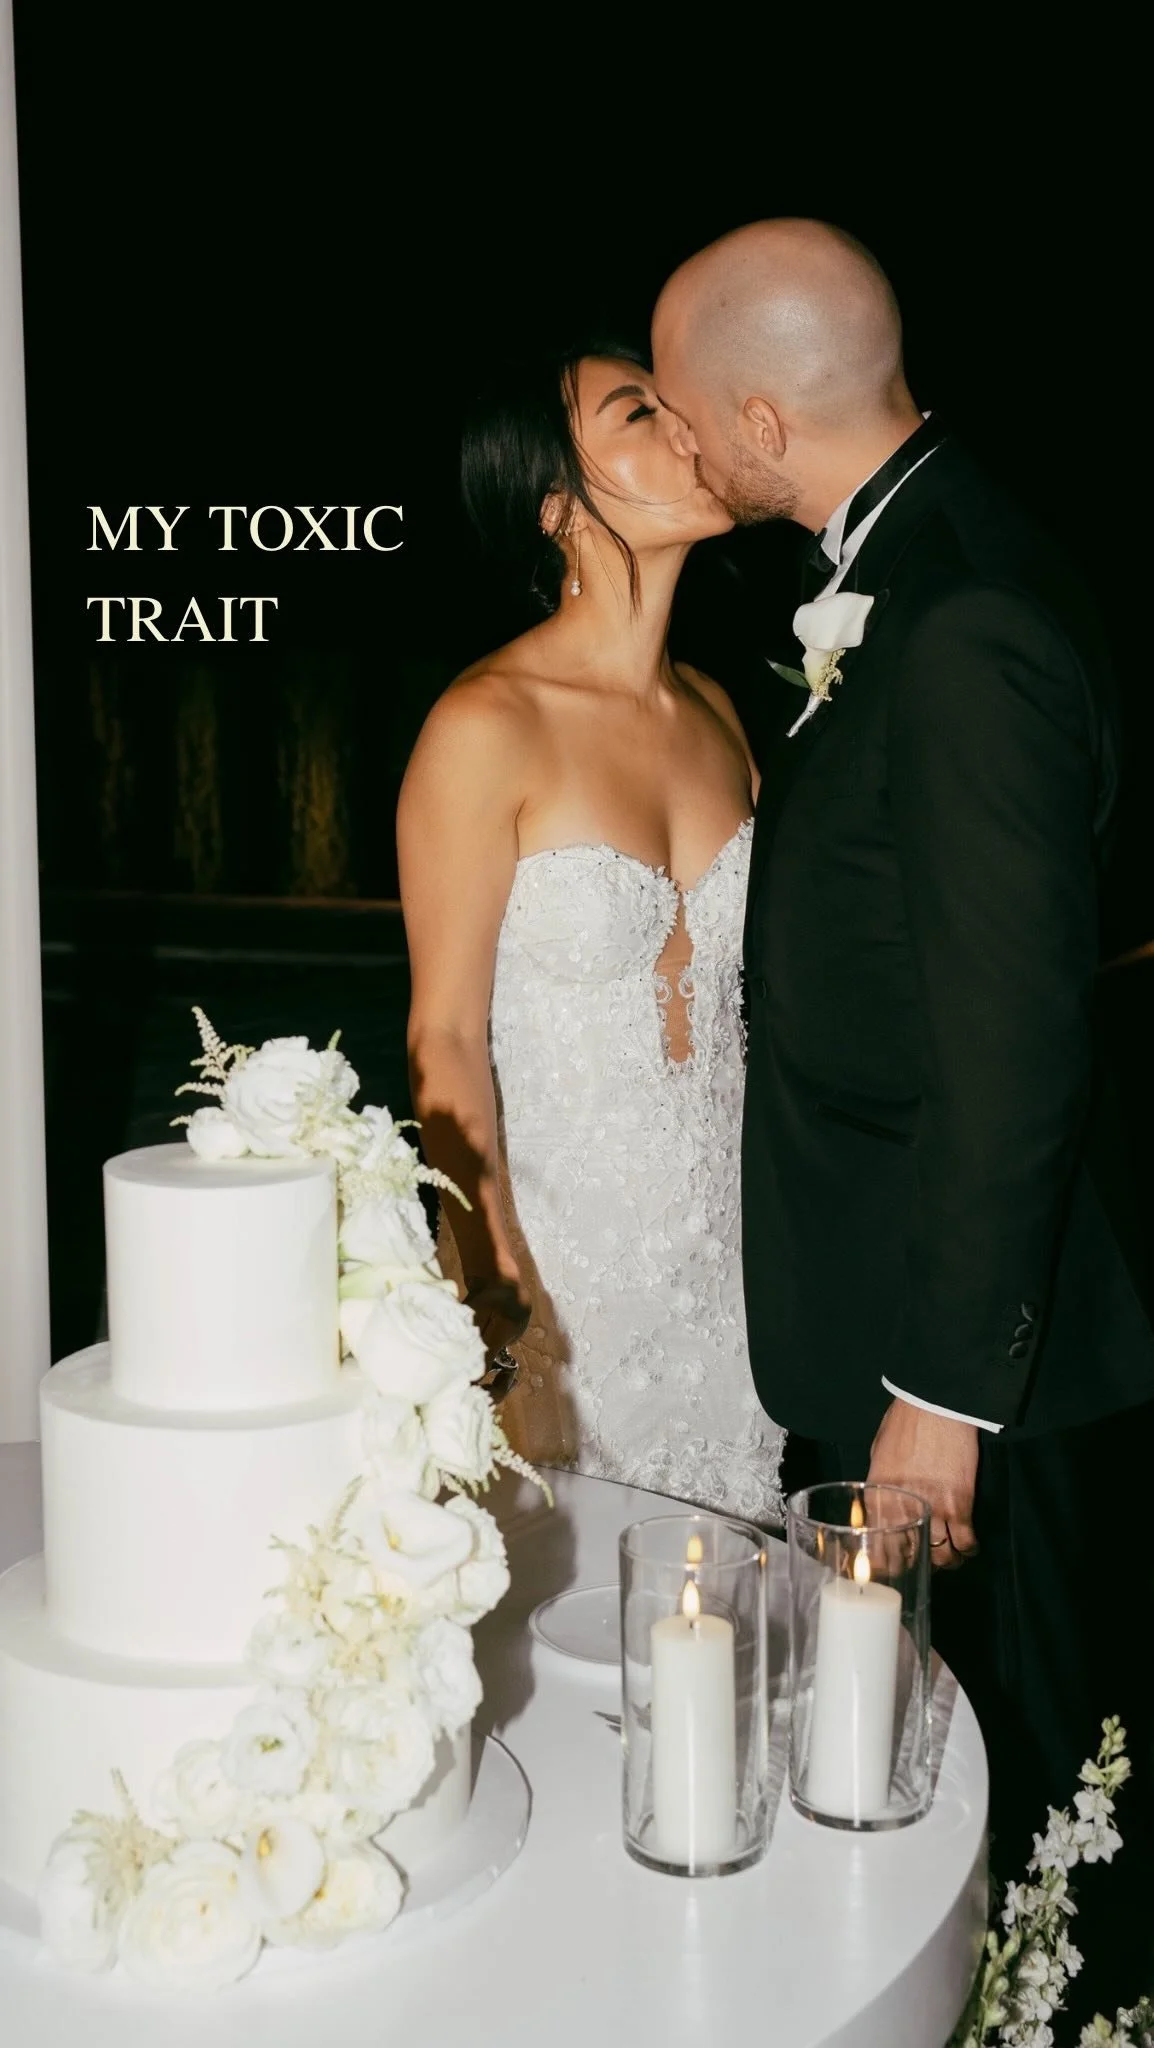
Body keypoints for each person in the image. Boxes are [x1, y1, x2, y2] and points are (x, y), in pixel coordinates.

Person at [652, 218, 1154, 2008]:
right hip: (899, 1319)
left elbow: (1011, 1042)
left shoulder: (961, 617)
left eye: (684, 413)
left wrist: (938, 1400)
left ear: (762, 422)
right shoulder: (923, 563)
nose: (679, 443)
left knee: (1016, 1840)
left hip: (974, 1386)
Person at [396, 343, 784, 1524]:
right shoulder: (485, 723)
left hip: (729, 1276)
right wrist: (493, 1286)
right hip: (561, 1276)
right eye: (637, 413)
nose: (687, 427)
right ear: (555, 504)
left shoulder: (718, 711)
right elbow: (444, 1035)